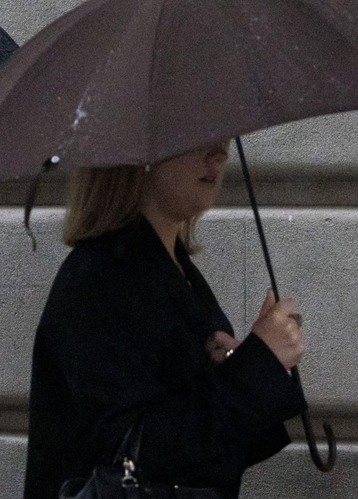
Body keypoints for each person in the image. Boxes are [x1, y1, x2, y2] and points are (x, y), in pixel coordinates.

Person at [23, 142, 306, 499]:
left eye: (222, 138)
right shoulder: (100, 277)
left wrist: (239, 365)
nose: (217, 154)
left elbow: (201, 452)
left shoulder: (174, 269)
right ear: (141, 156)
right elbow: (133, 455)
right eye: (198, 139)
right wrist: (256, 367)